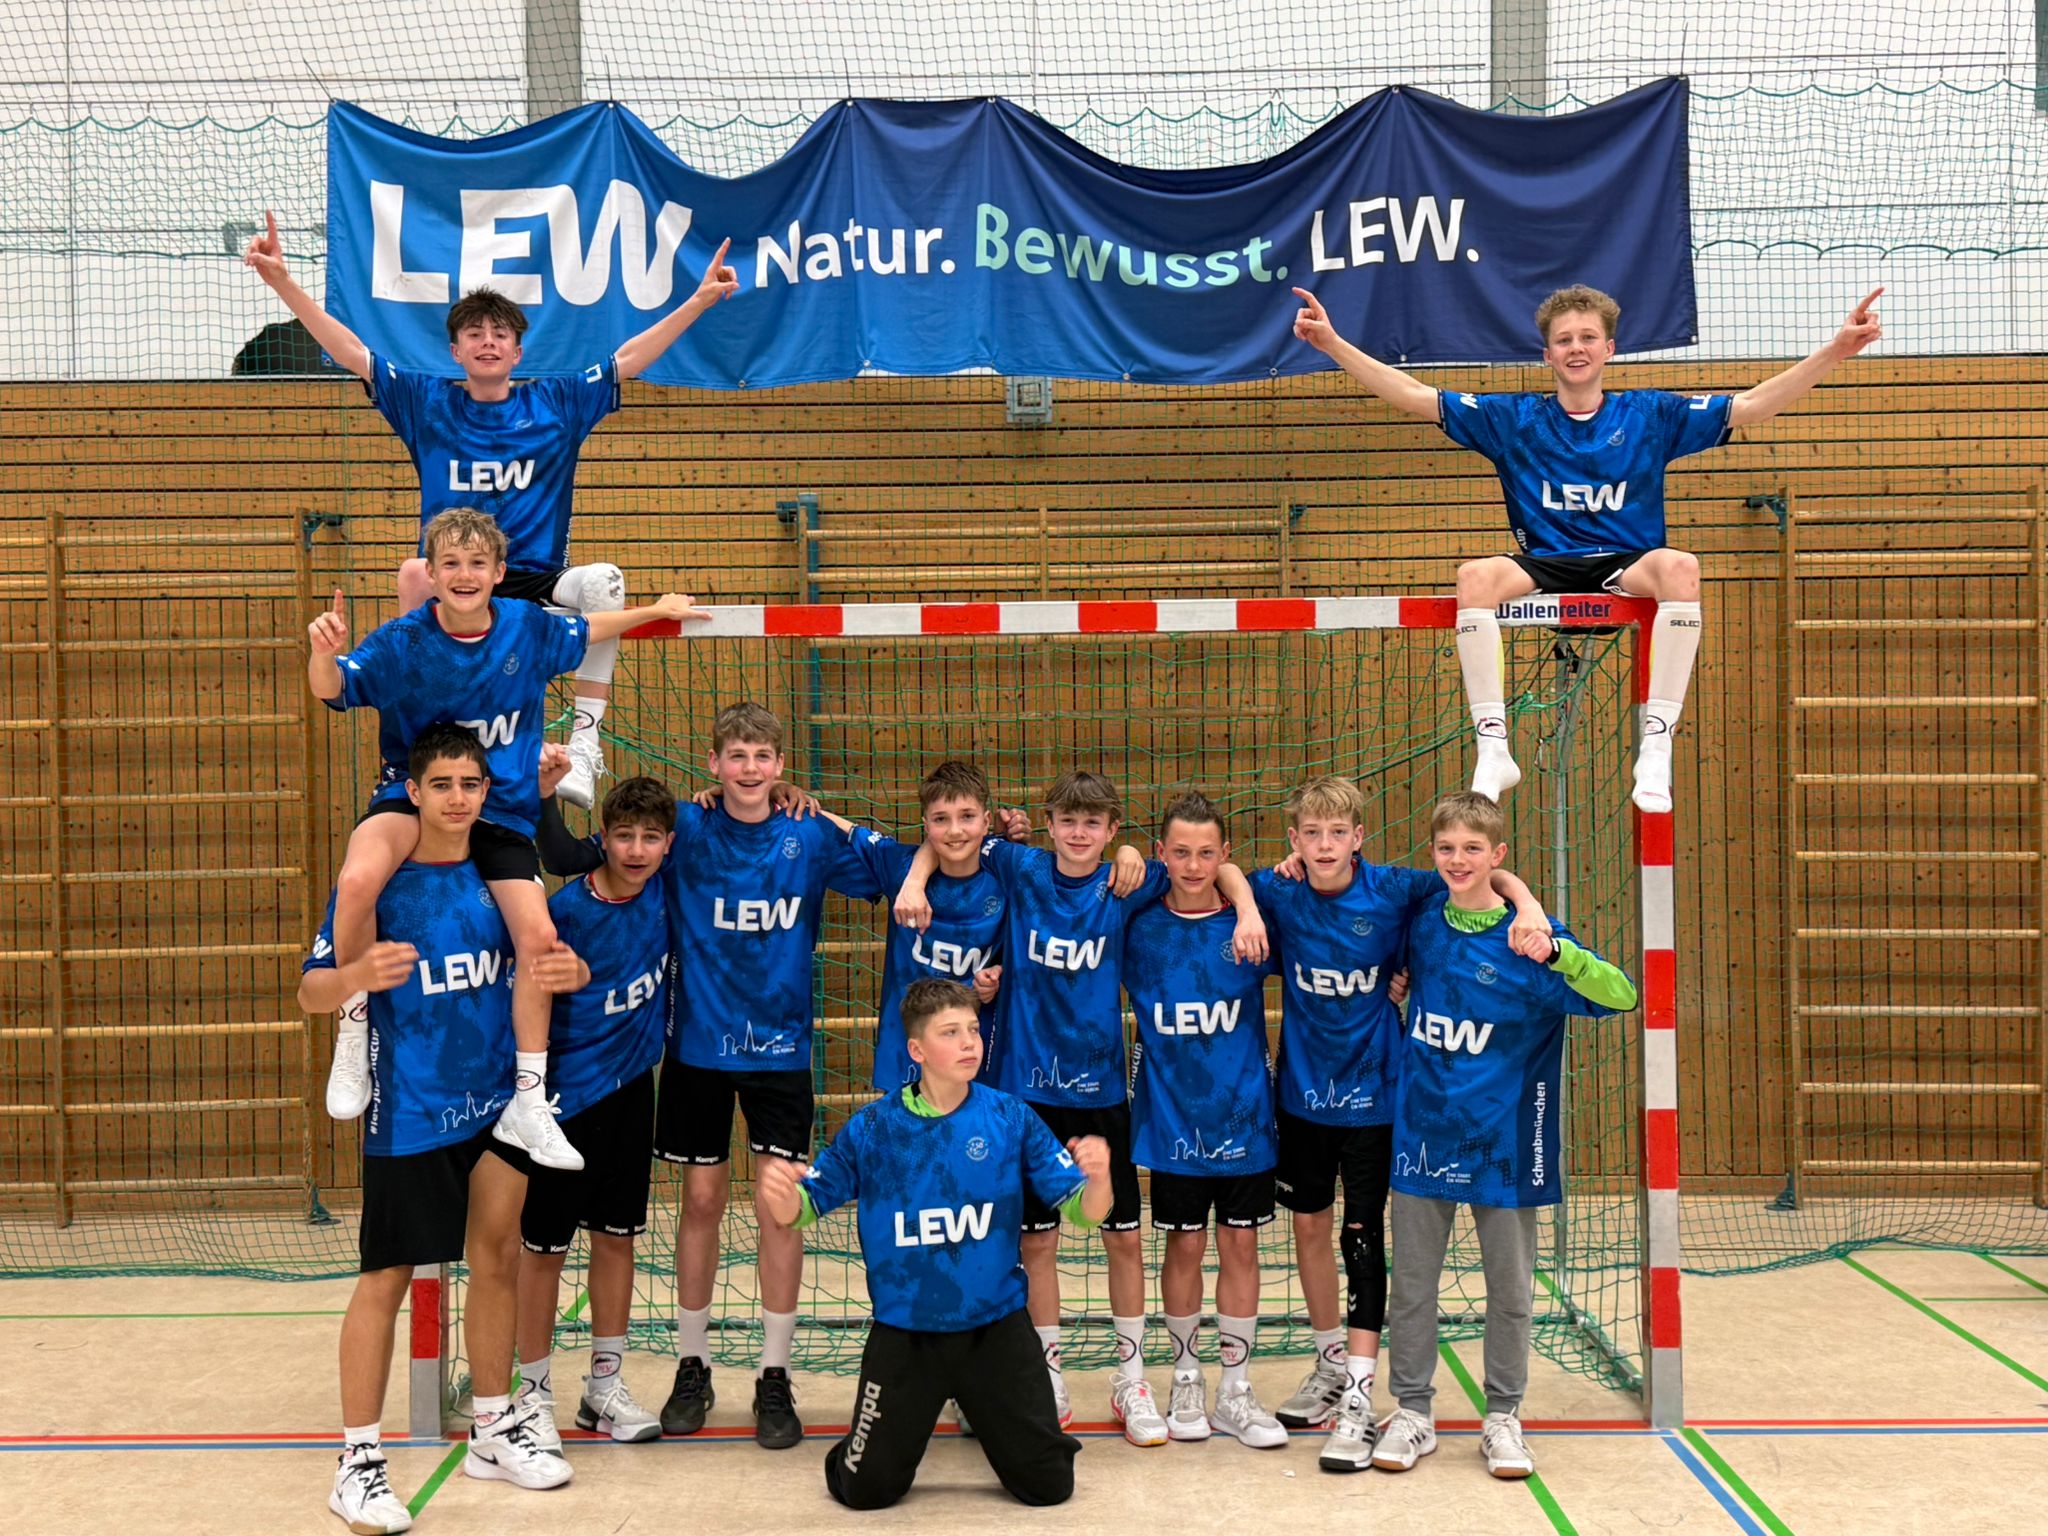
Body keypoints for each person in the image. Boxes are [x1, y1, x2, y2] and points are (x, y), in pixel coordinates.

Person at [1291, 281, 1884, 811]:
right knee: (1474, 577)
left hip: (1626, 563)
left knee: (1681, 567)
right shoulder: (1516, 418)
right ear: (1547, 355)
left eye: (1588, 337)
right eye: (1564, 339)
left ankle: (1656, 746)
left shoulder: (1649, 414)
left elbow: (1750, 406)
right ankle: (1493, 749)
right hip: (1545, 563)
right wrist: (1333, 344)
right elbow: (1415, 395)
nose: (1576, 347)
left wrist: (1835, 350)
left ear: (1609, 349)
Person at [245, 208, 740, 809]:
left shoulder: (556, 403)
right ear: (455, 350)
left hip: (534, 580)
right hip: (458, 584)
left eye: (499, 333)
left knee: (606, 581)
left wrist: (699, 301)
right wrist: (283, 282)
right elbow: (352, 351)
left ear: (517, 350)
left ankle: (585, 745)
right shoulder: (428, 404)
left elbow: (629, 358)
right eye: (474, 334)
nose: (487, 341)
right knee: (413, 572)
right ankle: (416, 739)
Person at [310, 507, 702, 1170]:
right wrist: (323, 653)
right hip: (415, 797)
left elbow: (591, 629)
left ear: (498, 572)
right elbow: (335, 689)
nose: (464, 574)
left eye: (477, 563)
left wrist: (656, 610)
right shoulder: (403, 641)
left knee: (539, 938)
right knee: (357, 880)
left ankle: (527, 1098)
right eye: (450, 563)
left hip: (503, 810)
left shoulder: (526, 626)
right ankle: (354, 1028)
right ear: (432, 574)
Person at [536, 701, 881, 1448]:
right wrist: (541, 795)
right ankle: (692, 1366)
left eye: (763, 757)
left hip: (781, 1055)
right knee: (699, 1201)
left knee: (780, 1208)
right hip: (696, 1051)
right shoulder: (684, 827)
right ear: (714, 763)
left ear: (781, 766)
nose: (750, 769)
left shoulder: (807, 832)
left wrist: (841, 818)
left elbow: (894, 866)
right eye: (737, 755)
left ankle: (775, 1374)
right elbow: (571, 856)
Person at [894, 770, 1269, 1431]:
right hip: (1027, 1094)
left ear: (1113, 829)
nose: (1078, 833)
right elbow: (947, 841)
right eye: (1067, 820)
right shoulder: (1022, 868)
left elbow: (1220, 869)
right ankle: (1048, 1379)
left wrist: (1244, 908)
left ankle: (1132, 1382)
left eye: (1093, 823)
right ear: (1048, 823)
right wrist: (914, 881)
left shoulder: (1129, 882)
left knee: (1122, 1239)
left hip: (1101, 1095)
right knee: (1036, 1244)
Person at [298, 723, 589, 1533]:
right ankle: (358, 1464)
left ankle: (492, 1427)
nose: (457, 799)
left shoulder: (504, 876)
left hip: (496, 1103)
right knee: (387, 1277)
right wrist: (356, 975)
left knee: (496, 1256)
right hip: (412, 1111)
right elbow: (311, 992)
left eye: (470, 784)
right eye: (442, 785)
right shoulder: (381, 884)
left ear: (486, 791)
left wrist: (569, 969)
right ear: (413, 792)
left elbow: (541, 965)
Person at [1251, 775, 1546, 1472]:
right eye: (1311, 834)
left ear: (1360, 837)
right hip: (1300, 1096)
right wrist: (1244, 900)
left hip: (1379, 1101)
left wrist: (1529, 904)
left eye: (1338, 833)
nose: (1325, 845)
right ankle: (1330, 1367)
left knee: (1363, 1237)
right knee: (1308, 1231)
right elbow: (1219, 876)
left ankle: (1367, 1392)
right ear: (1294, 839)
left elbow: (1478, 873)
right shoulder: (1279, 890)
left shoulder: (1395, 888)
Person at [757, 979, 1113, 1510]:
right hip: (908, 1334)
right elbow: (803, 1208)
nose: (969, 1042)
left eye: (973, 1029)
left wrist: (1099, 1178)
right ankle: (874, 1438)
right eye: (950, 1033)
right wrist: (782, 1196)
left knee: (1049, 1487)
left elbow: (1084, 1212)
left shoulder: (1010, 1117)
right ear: (917, 1050)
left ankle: (979, 1405)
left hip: (995, 1328)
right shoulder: (873, 1128)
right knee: (866, 1491)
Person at [1372, 791, 1637, 1480]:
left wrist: (1559, 951)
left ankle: (1502, 1416)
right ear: (1433, 853)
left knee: (1511, 1293)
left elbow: (1623, 995)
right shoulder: (1423, 920)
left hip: (1507, 1146)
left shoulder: (1531, 939)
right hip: (1423, 1137)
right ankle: (1412, 1412)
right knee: (1413, 1288)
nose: (1457, 860)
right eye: (1446, 848)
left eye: (1472, 849)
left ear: (1498, 854)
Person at [513, 770, 677, 1451]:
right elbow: (526, 995)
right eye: (624, 836)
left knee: (617, 1239)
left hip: (632, 1091)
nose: (637, 850)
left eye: (651, 838)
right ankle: (531, 1393)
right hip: (561, 1101)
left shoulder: (667, 890)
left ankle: (603, 1386)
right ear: (602, 837)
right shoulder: (565, 912)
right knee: (544, 1251)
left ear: (668, 844)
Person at [1120, 792, 1284, 1450]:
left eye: (1207, 853)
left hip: (1246, 1120)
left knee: (1241, 1247)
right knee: (1184, 1247)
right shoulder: (1137, 927)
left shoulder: (1252, 925)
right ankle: (1185, 1377)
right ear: (1161, 853)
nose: (1193, 865)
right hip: (1172, 1124)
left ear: (1225, 856)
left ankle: (1236, 1390)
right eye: (1181, 852)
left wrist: (1395, 981)